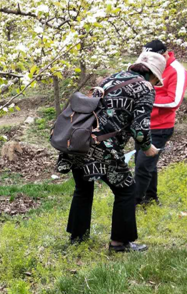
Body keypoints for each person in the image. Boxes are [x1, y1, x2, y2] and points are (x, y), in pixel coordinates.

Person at [56, 51, 166, 252]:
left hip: (80, 141)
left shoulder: (113, 78)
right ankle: (120, 243)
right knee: (126, 189)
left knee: (83, 188)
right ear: (155, 75)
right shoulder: (145, 88)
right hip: (102, 147)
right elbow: (140, 130)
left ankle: (77, 239)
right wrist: (148, 148)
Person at [135, 40, 187, 206]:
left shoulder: (177, 71)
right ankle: (150, 199)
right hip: (143, 124)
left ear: (164, 54)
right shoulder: (146, 66)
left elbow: (174, 101)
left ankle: (132, 203)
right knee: (146, 163)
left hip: (160, 127)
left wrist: (147, 98)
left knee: (143, 166)